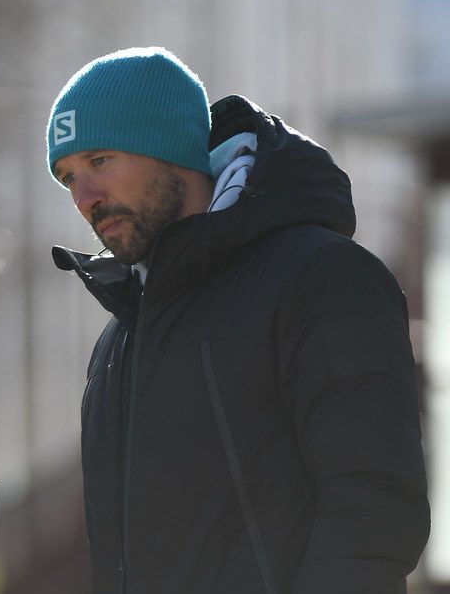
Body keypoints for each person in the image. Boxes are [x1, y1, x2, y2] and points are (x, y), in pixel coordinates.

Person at [45, 47, 429, 594]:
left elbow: (375, 504)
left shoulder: (320, 275)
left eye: (100, 160)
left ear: (171, 149)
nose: (85, 198)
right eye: (67, 177)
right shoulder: (121, 335)